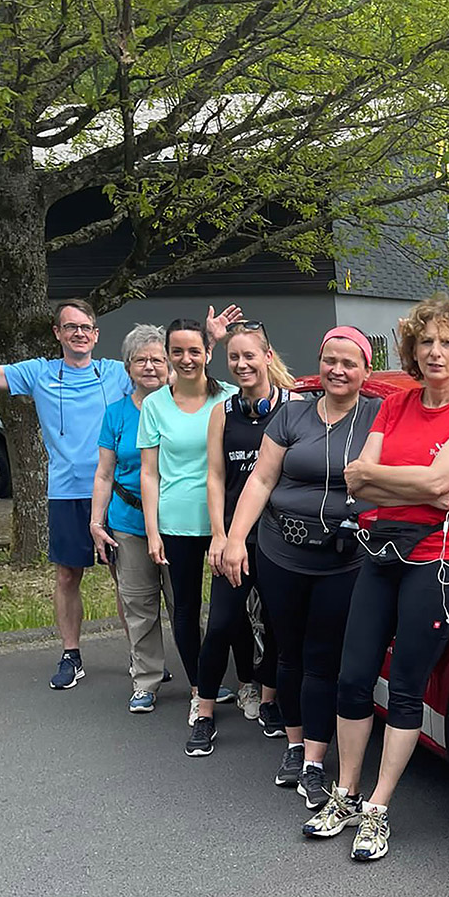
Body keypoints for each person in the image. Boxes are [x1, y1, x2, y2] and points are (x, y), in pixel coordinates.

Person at [0, 301, 237, 690]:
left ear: (97, 334)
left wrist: (211, 342)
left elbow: (180, 369)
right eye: (70, 327)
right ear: (58, 333)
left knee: (129, 584)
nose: (79, 333)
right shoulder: (39, 373)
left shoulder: (117, 372)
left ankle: (143, 664)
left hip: (120, 495)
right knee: (68, 575)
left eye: (86, 327)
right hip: (69, 491)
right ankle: (72, 653)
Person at [301, 295, 449, 862]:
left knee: (408, 686)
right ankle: (345, 791)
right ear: (412, 349)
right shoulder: (396, 405)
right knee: (353, 676)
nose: (435, 352)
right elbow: (358, 483)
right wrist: (424, 487)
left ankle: (379, 806)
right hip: (384, 551)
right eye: (425, 342)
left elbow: (415, 477)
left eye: (447, 343)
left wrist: (395, 479)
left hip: (439, 560)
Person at [219, 326, 380, 806]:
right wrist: (234, 539)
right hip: (281, 552)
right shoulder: (292, 415)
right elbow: (262, 479)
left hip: (343, 558)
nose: (338, 370)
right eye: (330, 359)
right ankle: (293, 744)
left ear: (365, 371)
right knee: (287, 652)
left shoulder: (377, 415)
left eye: (349, 363)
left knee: (323, 657)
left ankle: (314, 759)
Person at [185, 321, 295, 756]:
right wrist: (218, 534)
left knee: (276, 623)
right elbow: (214, 476)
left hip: (281, 538)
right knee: (222, 624)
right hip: (236, 538)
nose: (242, 364)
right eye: (234, 357)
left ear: (268, 357)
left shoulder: (294, 407)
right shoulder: (223, 411)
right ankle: (205, 711)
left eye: (250, 355)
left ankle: (269, 700)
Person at [139, 318, 238, 725]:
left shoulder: (230, 397)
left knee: (227, 610)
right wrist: (151, 530)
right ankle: (201, 686)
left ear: (208, 353)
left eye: (193, 351)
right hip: (176, 520)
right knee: (184, 607)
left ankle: (240, 679)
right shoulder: (155, 404)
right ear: (168, 356)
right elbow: (149, 472)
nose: (185, 359)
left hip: (224, 521)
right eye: (176, 352)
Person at [90, 325, 174, 713]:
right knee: (139, 605)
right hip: (128, 522)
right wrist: (96, 522)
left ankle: (202, 682)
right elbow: (104, 473)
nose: (150, 366)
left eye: (158, 358)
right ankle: (146, 680)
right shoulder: (117, 414)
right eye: (141, 360)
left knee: (184, 604)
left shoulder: (183, 408)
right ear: (128, 367)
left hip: (177, 523)